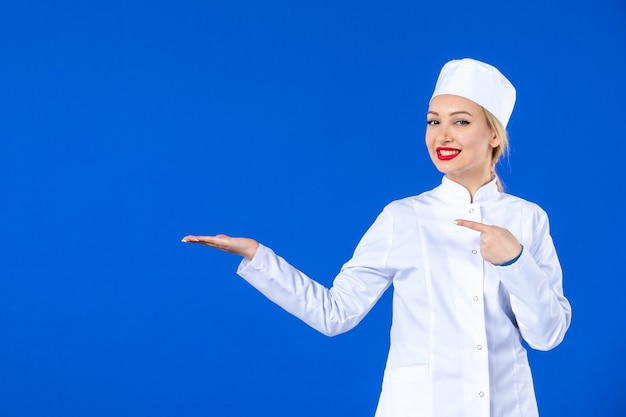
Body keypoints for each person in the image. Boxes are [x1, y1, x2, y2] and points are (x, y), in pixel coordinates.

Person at [182, 58, 572, 417]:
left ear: (493, 135)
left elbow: (547, 336)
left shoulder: (528, 219)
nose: (443, 136)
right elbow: (335, 314)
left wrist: (514, 261)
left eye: (461, 122)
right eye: (433, 121)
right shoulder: (402, 217)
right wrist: (257, 256)